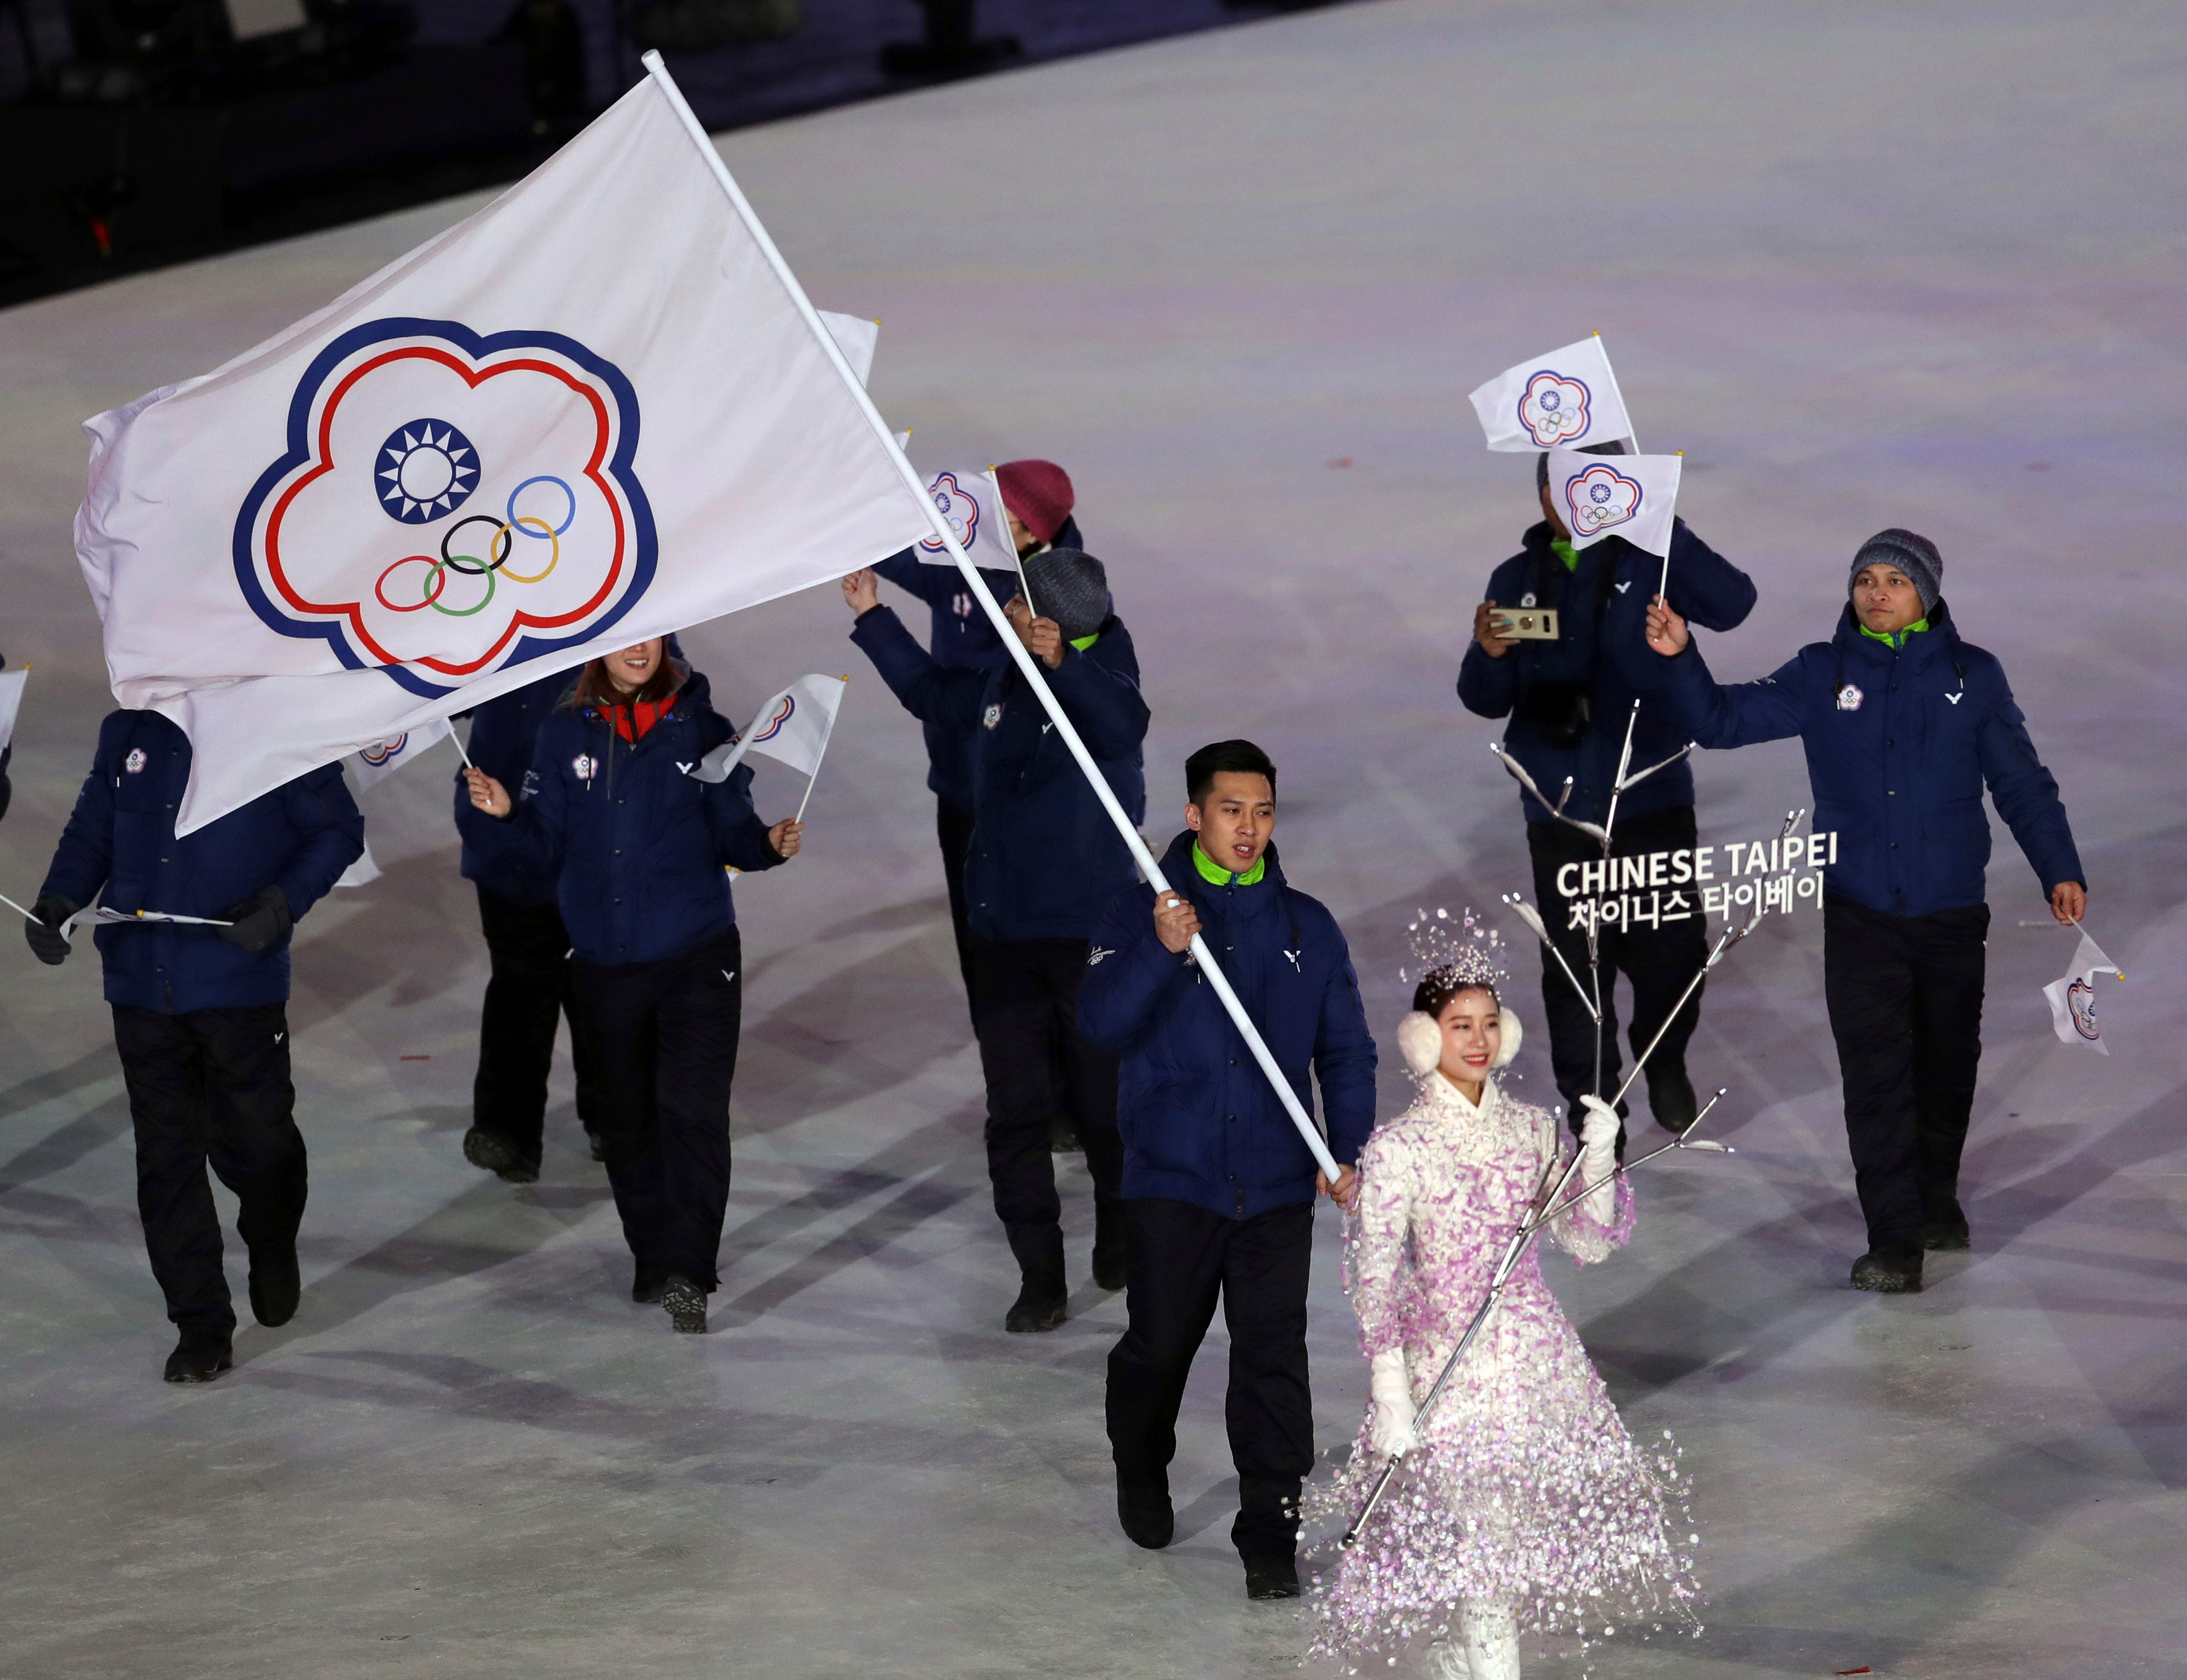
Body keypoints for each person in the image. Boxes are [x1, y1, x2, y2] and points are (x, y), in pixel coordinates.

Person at [1643, 530, 2086, 1292]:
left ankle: (1935, 1200)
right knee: (1876, 1077)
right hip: (1858, 914)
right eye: (1865, 580)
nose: (1877, 594)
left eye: (1895, 582)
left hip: (1950, 914)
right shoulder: (1823, 673)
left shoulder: (1970, 676)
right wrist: (1682, 656)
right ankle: (1894, 1241)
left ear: (1929, 594)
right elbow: (1719, 722)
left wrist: (2060, 866)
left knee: (1945, 1069)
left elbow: (2022, 783)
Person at [1310, 941, 1697, 1677]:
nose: (1480, 1039)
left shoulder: (1531, 1129)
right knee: (1485, 1542)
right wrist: (1391, 1391)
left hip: (1534, 1362)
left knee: (1499, 1542)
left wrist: (1601, 1159)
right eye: (1461, 1024)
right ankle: (1480, 1663)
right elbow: (1377, 1275)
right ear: (1426, 1037)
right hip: (1445, 1366)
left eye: (1490, 1022)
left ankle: (1457, 1657)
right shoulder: (1399, 1149)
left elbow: (1587, 1240)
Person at [1079, 739, 1377, 1603]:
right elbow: (1100, 1024)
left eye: (1263, 812)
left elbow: (1346, 1052)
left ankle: (1269, 1536)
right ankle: (1141, 1461)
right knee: (1161, 1345)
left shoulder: (1306, 928)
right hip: (1173, 1180)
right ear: (1194, 815)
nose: (1248, 829)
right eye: (1231, 811)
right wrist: (1161, 951)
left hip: (1279, 1184)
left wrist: (1346, 1146)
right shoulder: (1140, 915)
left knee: (1272, 1362)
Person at [843, 546, 1145, 1331]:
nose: (1003, 613)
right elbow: (929, 692)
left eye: (1017, 607)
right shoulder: (999, 681)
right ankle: (1039, 1272)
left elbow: (1121, 723)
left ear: (1045, 621)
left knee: (1104, 1104)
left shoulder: (1107, 672)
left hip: (1088, 938)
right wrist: (871, 614)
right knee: (1015, 1112)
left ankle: (1119, 1228)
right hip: (1004, 933)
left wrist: (1062, 666)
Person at [462, 638, 803, 1332]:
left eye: (651, 635)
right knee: (628, 1119)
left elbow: (731, 832)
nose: (639, 648)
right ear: (597, 651)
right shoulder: (563, 735)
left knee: (694, 1111)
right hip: (607, 965)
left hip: (699, 957)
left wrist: (765, 845)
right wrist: (506, 816)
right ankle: (652, 1255)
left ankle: (689, 1270)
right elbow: (544, 849)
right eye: (624, 639)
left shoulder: (701, 727)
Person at [22, 711, 363, 1382]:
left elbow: (338, 831)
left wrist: (281, 903)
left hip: (237, 983)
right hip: (140, 986)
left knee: (260, 1146)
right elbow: (95, 825)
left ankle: (270, 1238)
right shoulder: (128, 732)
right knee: (167, 1159)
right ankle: (201, 1323)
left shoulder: (271, 719)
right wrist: (60, 898)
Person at [1458, 445, 1757, 1139]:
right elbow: (1481, 698)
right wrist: (1491, 652)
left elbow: (1735, 603)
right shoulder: (1515, 577)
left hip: (1651, 797)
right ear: (1540, 496)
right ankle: (1595, 1107)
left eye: (1593, 487)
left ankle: (1665, 1059)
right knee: (1575, 966)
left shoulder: (1649, 560)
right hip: (1560, 809)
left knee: (1674, 954)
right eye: (1558, 487)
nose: (1573, 501)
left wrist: (1659, 521)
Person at [869, 459, 1084, 997]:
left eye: (1001, 513)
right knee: (980, 957)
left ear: (1032, 531)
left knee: (1044, 959)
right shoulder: (958, 563)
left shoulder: (1067, 598)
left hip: (1029, 801)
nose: (982, 516)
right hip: (960, 793)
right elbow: (888, 547)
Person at [451, 669, 604, 1183]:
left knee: (601, 990)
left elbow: (666, 668)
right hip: (504, 837)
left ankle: (615, 1116)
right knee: (519, 985)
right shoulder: (479, 604)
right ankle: (508, 1132)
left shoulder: (614, 601)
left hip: (594, 843)